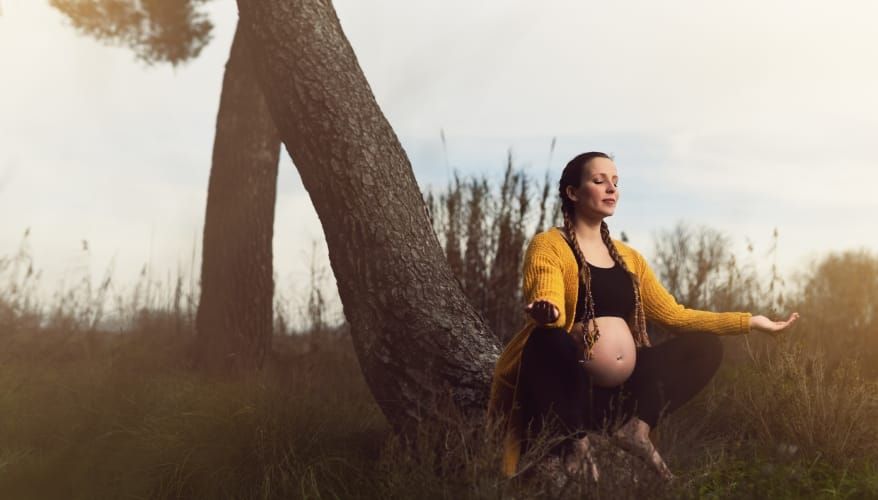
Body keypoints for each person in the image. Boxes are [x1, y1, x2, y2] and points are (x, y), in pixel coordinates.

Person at [485, 151, 800, 484]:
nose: (611, 188)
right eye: (599, 181)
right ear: (573, 193)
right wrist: (548, 310)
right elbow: (546, 288)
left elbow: (674, 316)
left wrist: (749, 322)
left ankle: (636, 428)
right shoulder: (549, 245)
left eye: (615, 182)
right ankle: (575, 442)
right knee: (546, 337)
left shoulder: (629, 258)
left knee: (706, 346)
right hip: (570, 391)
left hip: (619, 397)